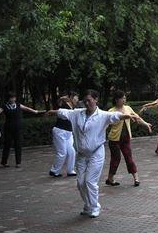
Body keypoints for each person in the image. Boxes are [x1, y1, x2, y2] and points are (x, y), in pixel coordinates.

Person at [45, 90, 137, 218]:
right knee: (80, 183)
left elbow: (115, 116)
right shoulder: (77, 113)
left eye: (89, 100)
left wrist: (126, 116)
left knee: (90, 181)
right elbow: (63, 112)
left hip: (96, 152)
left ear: (96, 100)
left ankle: (95, 207)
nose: (87, 103)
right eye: (85, 101)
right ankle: (88, 205)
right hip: (82, 154)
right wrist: (51, 112)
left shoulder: (102, 115)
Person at [106, 90, 152, 187]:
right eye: (123, 98)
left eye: (125, 97)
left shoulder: (128, 108)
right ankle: (110, 179)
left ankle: (136, 178)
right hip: (114, 139)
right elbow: (106, 124)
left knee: (129, 158)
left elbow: (137, 118)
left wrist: (146, 124)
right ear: (117, 100)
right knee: (116, 159)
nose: (124, 99)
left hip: (126, 138)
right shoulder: (111, 111)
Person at [0, 92, 43, 168]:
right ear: (8, 99)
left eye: (14, 97)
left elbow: (27, 108)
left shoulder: (18, 105)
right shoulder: (4, 106)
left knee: (18, 145)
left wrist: (35, 111)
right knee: (7, 145)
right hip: (8, 129)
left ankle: (18, 163)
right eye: (11, 98)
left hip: (18, 128)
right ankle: (4, 162)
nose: (13, 99)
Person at [48, 92, 79, 177]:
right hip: (60, 131)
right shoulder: (63, 105)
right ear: (71, 98)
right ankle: (54, 171)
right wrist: (61, 98)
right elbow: (58, 107)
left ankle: (70, 170)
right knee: (62, 152)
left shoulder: (73, 107)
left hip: (69, 132)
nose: (77, 100)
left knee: (71, 151)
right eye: (76, 98)